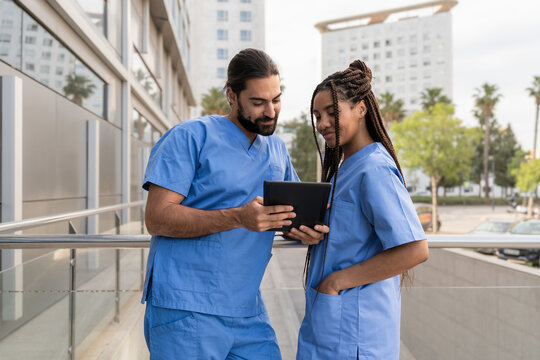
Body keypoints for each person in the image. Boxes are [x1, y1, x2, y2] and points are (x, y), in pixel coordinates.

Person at [141, 48, 328, 359]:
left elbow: (291, 214)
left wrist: (303, 231)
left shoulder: (276, 150)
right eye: (258, 102)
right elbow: (157, 218)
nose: (270, 111)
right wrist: (237, 218)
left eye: (276, 99)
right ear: (232, 95)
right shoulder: (189, 137)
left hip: (247, 309)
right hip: (185, 308)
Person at [296, 60, 429, 360]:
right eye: (317, 116)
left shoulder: (374, 169)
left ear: (361, 108)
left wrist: (336, 283)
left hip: (355, 332)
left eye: (332, 112)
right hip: (332, 322)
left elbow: (415, 250)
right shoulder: (345, 170)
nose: (322, 124)